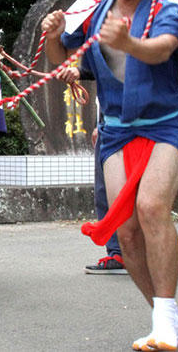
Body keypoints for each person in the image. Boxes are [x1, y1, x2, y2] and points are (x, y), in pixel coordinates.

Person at [44, 0, 178, 351]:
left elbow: (161, 49)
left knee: (151, 206)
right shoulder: (95, 10)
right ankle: (164, 317)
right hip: (115, 130)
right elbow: (64, 64)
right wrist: (54, 34)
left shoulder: (169, 10)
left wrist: (128, 41)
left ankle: (165, 320)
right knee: (126, 230)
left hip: (170, 125)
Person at [59, 66, 127, 275]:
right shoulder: (103, 44)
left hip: (138, 126)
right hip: (110, 125)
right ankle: (117, 253)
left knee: (132, 194)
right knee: (104, 192)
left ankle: (136, 252)